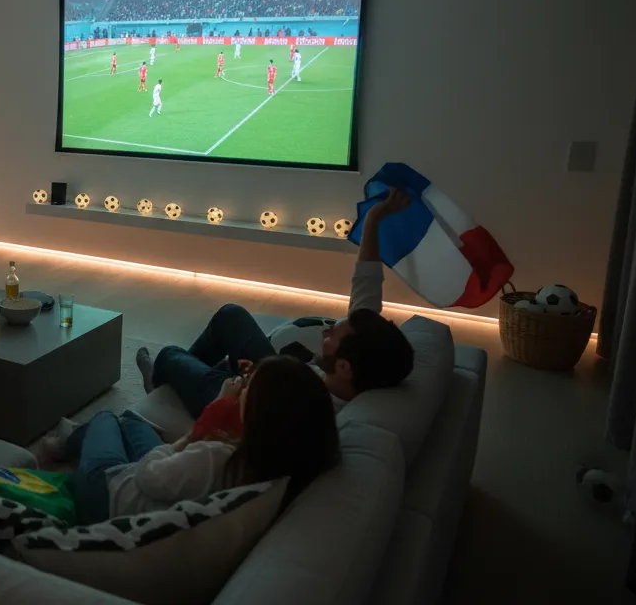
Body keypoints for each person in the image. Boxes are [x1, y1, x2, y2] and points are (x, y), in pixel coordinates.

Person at [135, 187, 415, 421]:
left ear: (344, 368)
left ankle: (161, 384)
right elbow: (366, 284)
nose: (324, 333)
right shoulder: (360, 361)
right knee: (230, 314)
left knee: (169, 355)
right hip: (270, 375)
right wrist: (374, 220)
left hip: (245, 400)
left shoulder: (310, 409)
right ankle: (187, 377)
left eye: (332, 337)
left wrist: (234, 386)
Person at [41, 356, 340, 525]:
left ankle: (69, 443)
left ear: (264, 409)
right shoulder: (279, 459)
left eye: (249, 384)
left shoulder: (216, 457)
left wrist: (195, 434)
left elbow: (147, 474)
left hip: (111, 495)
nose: (243, 388)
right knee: (132, 419)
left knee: (107, 416)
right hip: (168, 482)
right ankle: (87, 435)